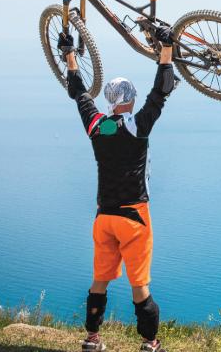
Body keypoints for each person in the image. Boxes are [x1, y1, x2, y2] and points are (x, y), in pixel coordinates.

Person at [57, 26, 178, 352]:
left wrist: (69, 55)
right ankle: (150, 343)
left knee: (99, 281)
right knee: (140, 286)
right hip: (134, 218)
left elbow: (79, 94)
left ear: (111, 101)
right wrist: (166, 47)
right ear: (130, 99)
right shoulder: (137, 126)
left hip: (104, 218)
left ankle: (92, 339)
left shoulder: (97, 126)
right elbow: (161, 92)